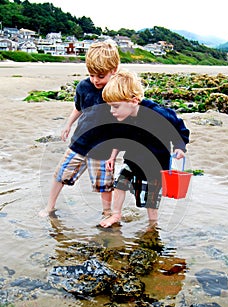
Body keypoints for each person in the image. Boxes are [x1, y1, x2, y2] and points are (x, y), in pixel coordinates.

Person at [99, 70, 190, 229]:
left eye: (115, 106)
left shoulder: (158, 114)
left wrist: (180, 147)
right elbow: (119, 138)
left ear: (133, 101)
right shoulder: (123, 117)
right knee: (120, 184)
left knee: (151, 202)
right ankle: (116, 214)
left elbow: (178, 126)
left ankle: (152, 225)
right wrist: (112, 157)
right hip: (133, 160)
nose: (112, 111)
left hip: (155, 167)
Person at [39, 42, 120, 218]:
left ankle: (107, 212)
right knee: (60, 175)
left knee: (105, 185)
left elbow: (121, 127)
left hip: (104, 148)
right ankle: (50, 206)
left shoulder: (117, 91)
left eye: (101, 75)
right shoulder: (83, 87)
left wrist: (114, 154)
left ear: (114, 70)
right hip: (79, 142)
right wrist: (68, 125)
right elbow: (78, 108)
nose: (95, 80)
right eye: (91, 75)